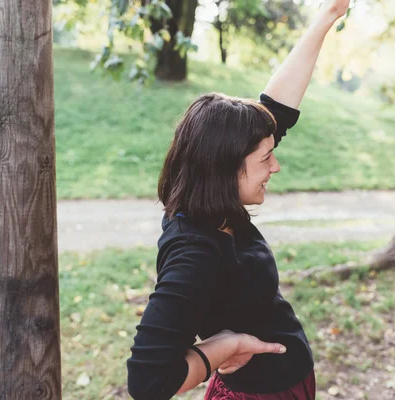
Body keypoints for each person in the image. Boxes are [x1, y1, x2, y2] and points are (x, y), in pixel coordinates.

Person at [127, 1, 350, 398]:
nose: (276, 166)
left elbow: (277, 107)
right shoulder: (194, 252)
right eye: (266, 157)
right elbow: (147, 380)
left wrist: (326, 17)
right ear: (225, 168)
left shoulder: (211, 207)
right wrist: (225, 346)